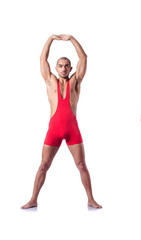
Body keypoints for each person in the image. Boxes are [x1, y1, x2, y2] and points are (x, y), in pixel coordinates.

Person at [21, 34, 102, 209]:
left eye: (67, 66)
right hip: (54, 131)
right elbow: (43, 58)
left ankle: (91, 199)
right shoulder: (50, 81)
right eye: (60, 66)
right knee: (43, 165)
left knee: (81, 165)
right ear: (56, 68)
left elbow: (84, 57)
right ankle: (33, 199)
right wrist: (50, 39)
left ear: (71, 67)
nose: (64, 68)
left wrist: (72, 39)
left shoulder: (75, 81)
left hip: (73, 131)